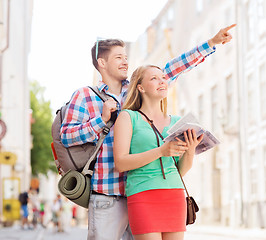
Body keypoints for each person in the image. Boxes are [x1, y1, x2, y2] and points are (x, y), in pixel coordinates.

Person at [60, 24, 236, 240]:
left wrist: (211, 43)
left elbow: (175, 67)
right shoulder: (85, 96)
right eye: (118, 57)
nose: (125, 61)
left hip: (142, 189)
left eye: (126, 56)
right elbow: (66, 136)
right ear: (102, 63)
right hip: (109, 193)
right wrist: (101, 120)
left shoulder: (134, 90)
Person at [113, 64, 203, 240]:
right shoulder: (128, 117)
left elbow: (180, 171)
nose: (162, 81)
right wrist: (161, 151)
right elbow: (121, 163)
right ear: (140, 87)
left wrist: (190, 149)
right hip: (143, 195)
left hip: (174, 195)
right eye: (154, 78)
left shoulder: (177, 122)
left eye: (163, 78)